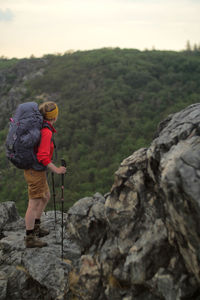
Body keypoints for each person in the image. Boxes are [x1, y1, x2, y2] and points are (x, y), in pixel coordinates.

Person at [24, 101, 66, 248]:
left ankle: (36, 227)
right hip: (35, 170)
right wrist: (57, 170)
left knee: (46, 196)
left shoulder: (41, 126)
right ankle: (30, 238)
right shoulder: (46, 131)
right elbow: (42, 156)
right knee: (33, 203)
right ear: (54, 117)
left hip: (36, 169)